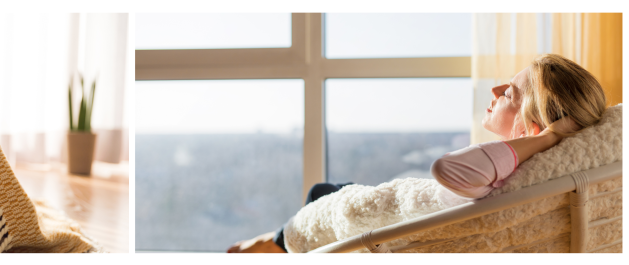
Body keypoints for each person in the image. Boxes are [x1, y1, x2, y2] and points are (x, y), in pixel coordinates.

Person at [227, 54, 609, 253]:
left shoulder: (514, 164)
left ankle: (269, 245)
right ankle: (269, 240)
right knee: (327, 188)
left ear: (532, 126)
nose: (495, 91)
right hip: (402, 209)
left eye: (509, 93)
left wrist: (543, 139)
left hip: (373, 226)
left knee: (319, 193)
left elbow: (448, 169)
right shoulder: (537, 169)